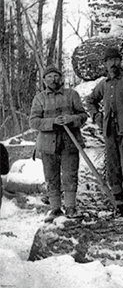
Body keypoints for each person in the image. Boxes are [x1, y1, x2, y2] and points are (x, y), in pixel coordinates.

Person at [85, 47, 123, 221]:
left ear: (120, 61)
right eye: (109, 61)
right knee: (113, 170)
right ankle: (119, 206)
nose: (113, 64)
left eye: (116, 60)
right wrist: (97, 118)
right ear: (105, 64)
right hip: (110, 133)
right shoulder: (103, 84)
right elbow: (90, 100)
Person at [29, 64, 88, 221]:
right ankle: (55, 209)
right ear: (44, 80)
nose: (53, 79)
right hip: (48, 144)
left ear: (60, 78)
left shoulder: (72, 95)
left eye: (56, 76)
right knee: (51, 176)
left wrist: (71, 119)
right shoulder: (39, 98)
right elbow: (33, 122)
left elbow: (83, 116)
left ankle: (70, 208)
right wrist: (52, 122)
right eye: (49, 77)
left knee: (70, 175)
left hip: (70, 142)